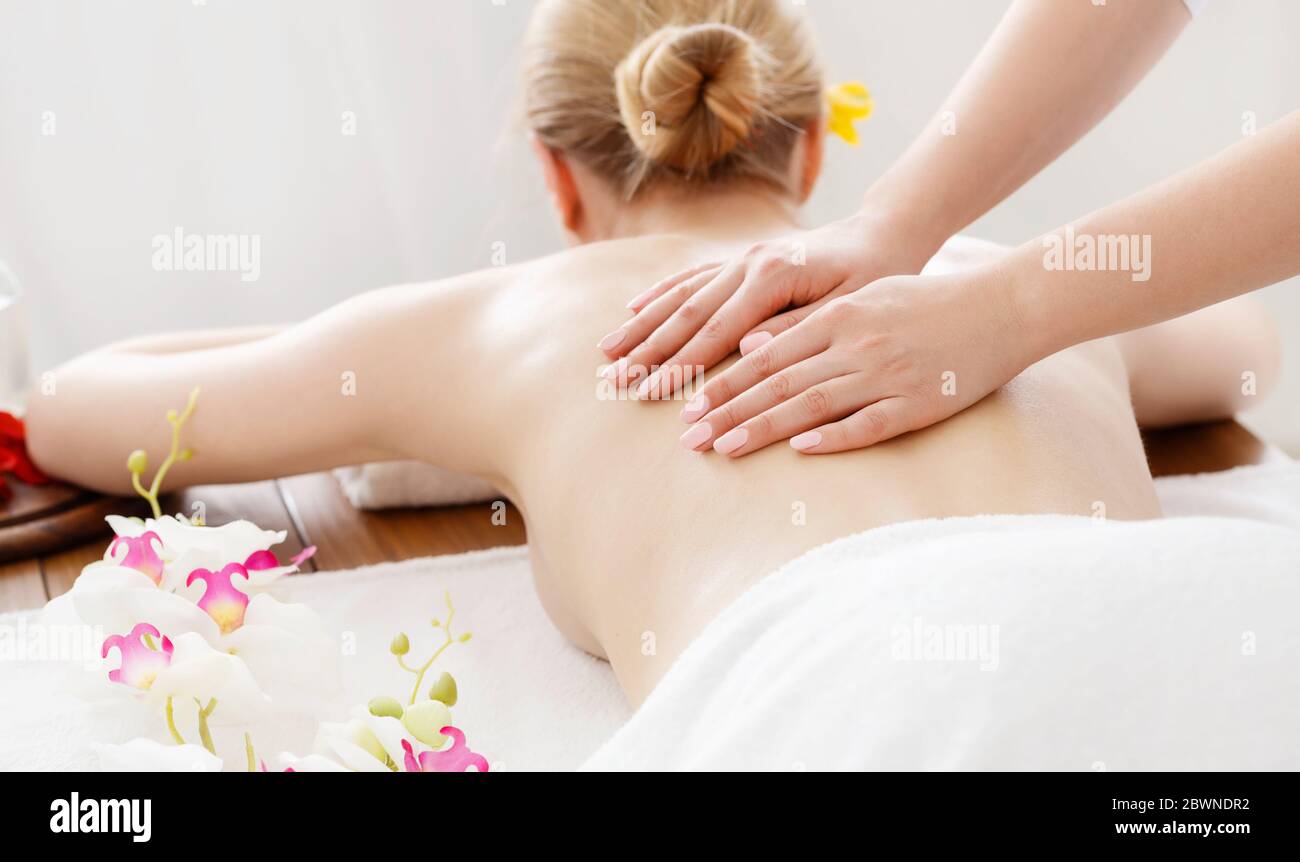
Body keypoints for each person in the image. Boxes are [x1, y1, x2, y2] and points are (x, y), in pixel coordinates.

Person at [24, 0, 1276, 709]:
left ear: (558, 182)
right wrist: (996, 296)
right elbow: (1236, 352)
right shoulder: (1006, 289)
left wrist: (368, 334)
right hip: (1198, 638)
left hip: (829, 691)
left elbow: (77, 411)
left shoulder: (494, 324)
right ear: (807, 152)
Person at [605, 0, 1298, 456]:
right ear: (812, 142)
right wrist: (897, 224)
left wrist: (1009, 309)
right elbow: (1251, 353)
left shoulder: (544, 325)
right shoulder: (983, 297)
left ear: (558, 178)